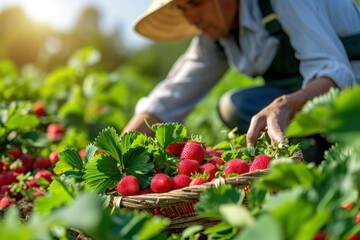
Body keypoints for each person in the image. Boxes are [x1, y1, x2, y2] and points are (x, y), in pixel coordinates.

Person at [122, 0, 360, 161]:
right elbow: (168, 98)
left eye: (195, 2)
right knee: (238, 105)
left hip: (352, 94)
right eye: (183, 8)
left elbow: (335, 72)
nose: (191, 17)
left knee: (261, 110)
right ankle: (309, 160)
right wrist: (121, 149)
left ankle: (341, 155)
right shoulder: (216, 38)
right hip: (309, 104)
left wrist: (284, 105)